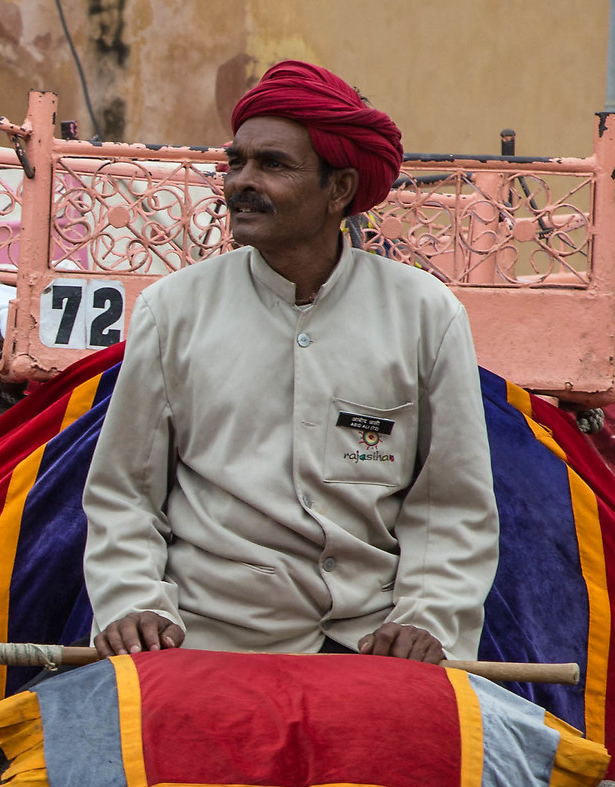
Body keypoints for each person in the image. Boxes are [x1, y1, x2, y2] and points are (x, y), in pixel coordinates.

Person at [81, 60, 498, 664]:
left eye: (272, 165)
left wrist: (427, 618)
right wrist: (134, 603)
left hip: (372, 644)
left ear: (340, 189)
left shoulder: (425, 314)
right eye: (236, 163)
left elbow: (452, 504)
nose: (241, 183)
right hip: (207, 639)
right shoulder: (173, 310)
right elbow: (125, 495)